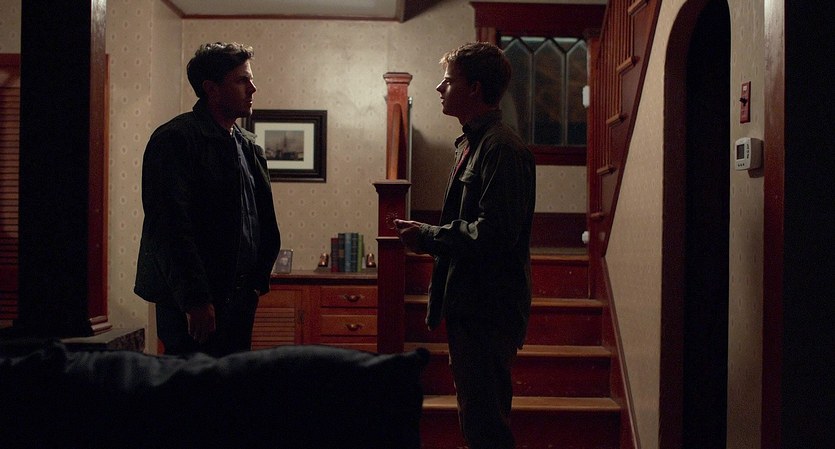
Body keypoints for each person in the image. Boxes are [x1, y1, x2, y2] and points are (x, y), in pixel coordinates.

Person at [394, 42, 536, 449]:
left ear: (474, 88)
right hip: (471, 304)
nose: (440, 88)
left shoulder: (501, 148)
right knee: (477, 420)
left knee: (486, 425)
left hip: (487, 308)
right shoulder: (472, 144)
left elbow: (493, 235)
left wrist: (427, 236)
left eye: (448, 80)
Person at [135, 42, 280, 357]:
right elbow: (169, 227)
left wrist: (256, 284)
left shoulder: (247, 146)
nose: (253, 88)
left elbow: (259, 221)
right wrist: (195, 300)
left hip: (240, 298)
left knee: (233, 380)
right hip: (194, 301)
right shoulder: (176, 139)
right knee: (191, 382)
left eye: (250, 79)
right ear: (211, 89)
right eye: (242, 80)